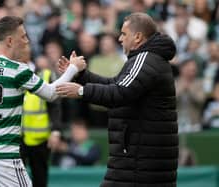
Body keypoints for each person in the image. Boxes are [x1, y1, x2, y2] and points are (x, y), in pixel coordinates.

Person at [0, 16, 86, 187]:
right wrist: (73, 68)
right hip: (3, 158)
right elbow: (51, 94)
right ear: (10, 41)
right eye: (24, 36)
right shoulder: (17, 70)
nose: (27, 41)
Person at [56, 12, 178, 187]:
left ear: (137, 37)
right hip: (138, 162)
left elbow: (119, 92)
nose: (120, 39)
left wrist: (82, 91)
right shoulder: (146, 58)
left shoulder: (145, 59)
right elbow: (115, 84)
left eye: (123, 34)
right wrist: (80, 75)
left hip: (139, 164)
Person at [20, 55, 62, 187]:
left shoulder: (45, 74)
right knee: (15, 179)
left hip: (41, 139)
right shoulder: (12, 73)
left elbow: (55, 105)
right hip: (17, 137)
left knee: (40, 178)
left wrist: (55, 131)